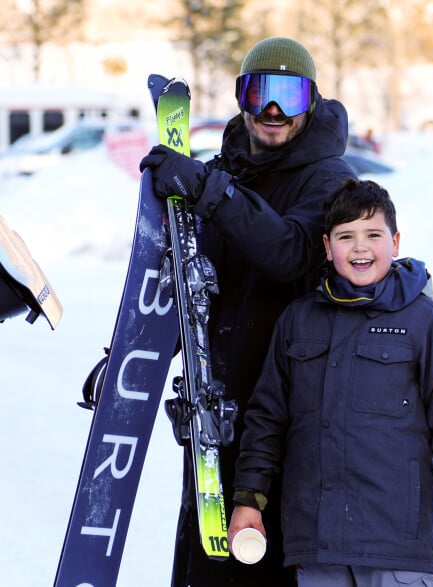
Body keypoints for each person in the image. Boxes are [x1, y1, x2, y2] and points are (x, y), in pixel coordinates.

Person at [140, 37, 356, 586]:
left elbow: (288, 250)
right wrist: (131, 359)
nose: (274, 112)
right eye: (261, 93)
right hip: (217, 407)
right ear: (241, 97)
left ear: (312, 102)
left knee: (263, 558)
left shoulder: (329, 180)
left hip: (289, 413)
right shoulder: (224, 173)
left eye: (290, 96)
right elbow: (192, 281)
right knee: (204, 558)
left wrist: (211, 191)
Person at [228, 178, 433, 587]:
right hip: (317, 544)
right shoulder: (298, 321)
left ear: (396, 241)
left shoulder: (425, 323)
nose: (360, 248)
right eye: (345, 236)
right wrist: (248, 499)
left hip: (396, 544)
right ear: (326, 246)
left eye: (373, 234)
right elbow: (266, 421)